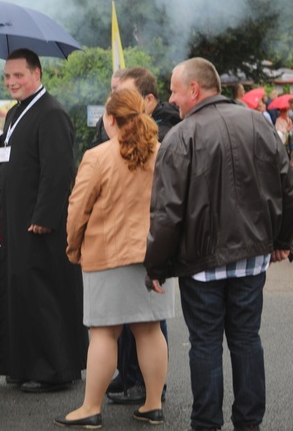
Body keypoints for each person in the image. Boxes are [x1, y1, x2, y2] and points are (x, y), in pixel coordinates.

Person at [144, 57, 293, 431]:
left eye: (174, 90)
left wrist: (155, 265)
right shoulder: (259, 126)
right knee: (247, 339)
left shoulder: (180, 137)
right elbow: (287, 189)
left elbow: (167, 214)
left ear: (194, 90)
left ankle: (206, 424)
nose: (172, 98)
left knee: (206, 344)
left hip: (201, 263)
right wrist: (281, 240)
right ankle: (249, 423)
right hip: (251, 258)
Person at [56, 88, 173, 428]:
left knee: (104, 334)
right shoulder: (162, 153)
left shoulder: (98, 156)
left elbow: (78, 209)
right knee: (150, 330)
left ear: (110, 119)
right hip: (154, 256)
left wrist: (73, 247)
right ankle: (152, 404)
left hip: (107, 255)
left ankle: (90, 408)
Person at [0, 48, 89, 393]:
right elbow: (11, 158)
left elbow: (58, 171)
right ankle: (23, 364)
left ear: (37, 74)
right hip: (14, 222)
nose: (12, 82)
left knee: (44, 296)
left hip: (40, 225)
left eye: (18, 75)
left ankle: (54, 370)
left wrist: (45, 216)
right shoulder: (15, 114)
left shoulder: (51, 113)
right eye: (7, 76)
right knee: (22, 293)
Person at [107, 66, 179, 405]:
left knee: (150, 318)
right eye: (113, 92)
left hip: (149, 240)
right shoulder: (114, 126)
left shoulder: (165, 136)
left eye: (124, 93)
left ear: (148, 100)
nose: (115, 100)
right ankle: (129, 375)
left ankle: (150, 389)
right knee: (127, 314)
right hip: (122, 239)